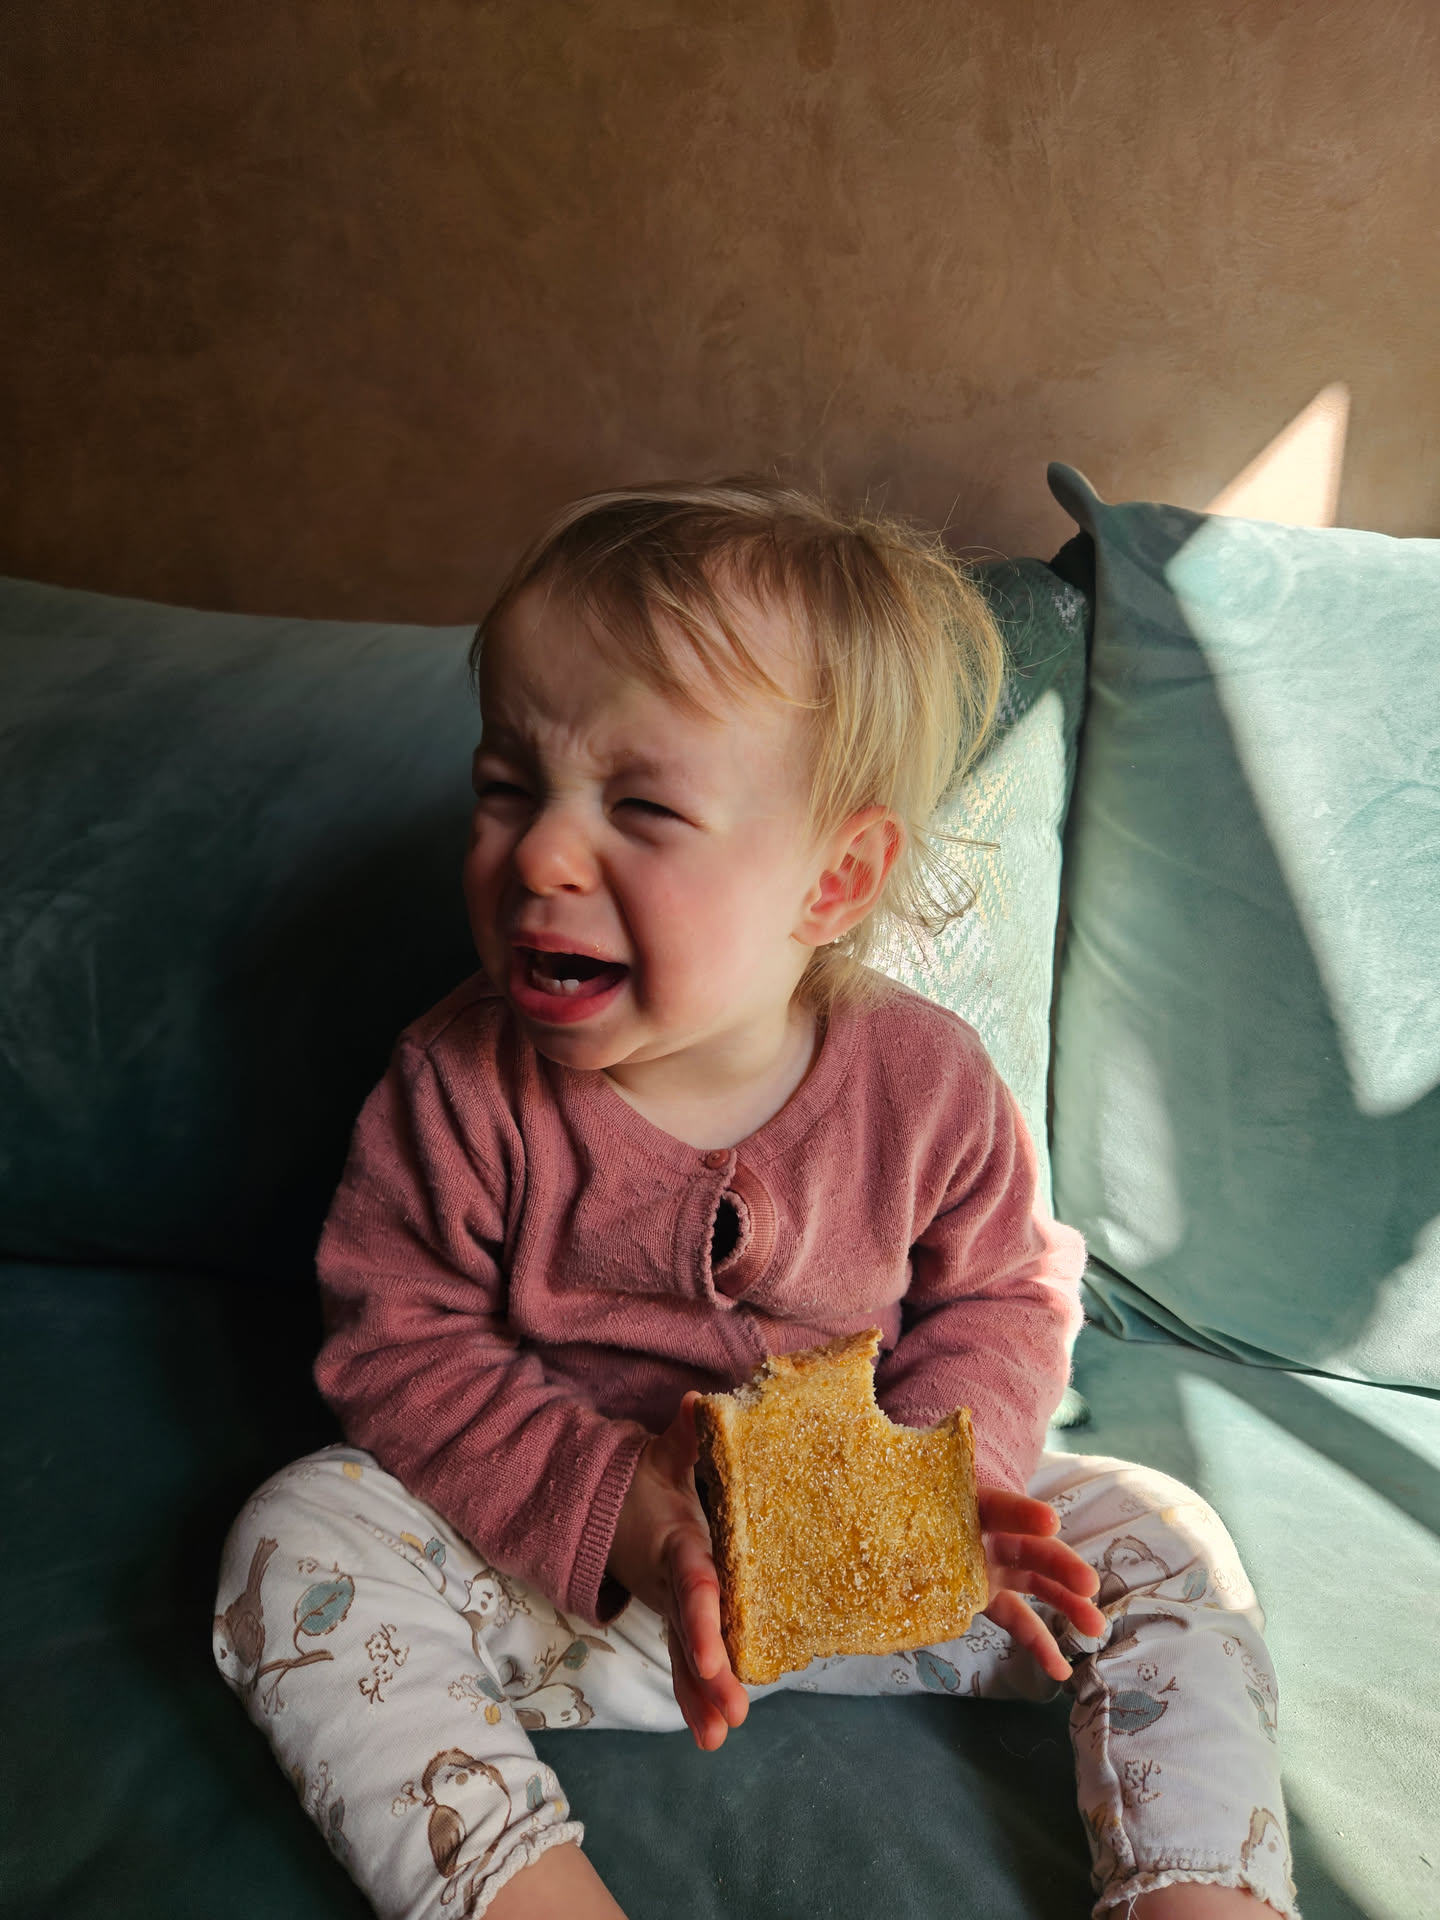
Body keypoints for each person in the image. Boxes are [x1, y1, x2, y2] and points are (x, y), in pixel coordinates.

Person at [214, 479, 1297, 1920]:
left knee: (1163, 1536)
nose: (539, 855)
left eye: (642, 808)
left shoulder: (924, 1080)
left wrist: (940, 1491)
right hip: (595, 1591)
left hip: (895, 1585)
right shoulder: (459, 1087)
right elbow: (398, 1345)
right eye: (508, 789)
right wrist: (623, 1516)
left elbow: (1005, 1291)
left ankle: (1198, 1901)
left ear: (833, 881)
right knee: (296, 1537)